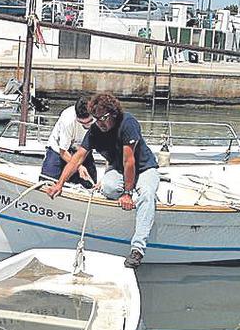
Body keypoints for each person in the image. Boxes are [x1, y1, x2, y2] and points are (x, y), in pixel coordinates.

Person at [45, 93, 158, 269]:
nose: (100, 123)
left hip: (144, 168)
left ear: (113, 113)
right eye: (96, 119)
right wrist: (59, 184)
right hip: (118, 170)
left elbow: (130, 161)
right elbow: (77, 158)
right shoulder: (95, 131)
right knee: (109, 188)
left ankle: (137, 250)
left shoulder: (128, 123)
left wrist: (128, 194)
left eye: (103, 118)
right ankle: (129, 189)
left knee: (147, 195)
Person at [41, 96, 97, 188]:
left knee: (89, 186)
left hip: (83, 151)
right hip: (59, 150)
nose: (87, 126)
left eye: (90, 121)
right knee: (47, 183)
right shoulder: (67, 119)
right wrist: (78, 166)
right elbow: (63, 152)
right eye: (82, 123)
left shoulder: (99, 118)